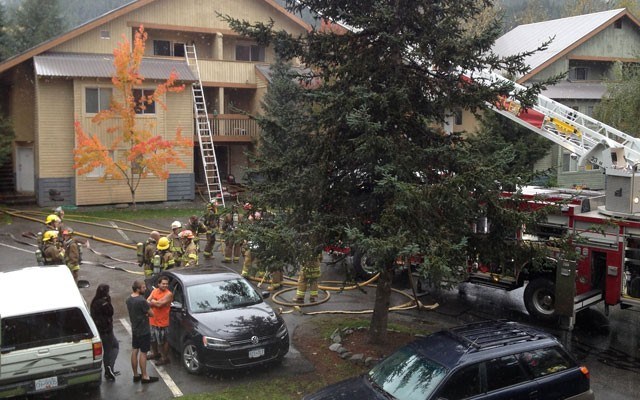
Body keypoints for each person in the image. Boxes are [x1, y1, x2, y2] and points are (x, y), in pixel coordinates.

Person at [125, 280, 159, 384]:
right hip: (143, 330)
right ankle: (145, 376)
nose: (145, 289)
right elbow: (152, 313)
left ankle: (136, 375)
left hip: (135, 329)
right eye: (143, 287)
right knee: (143, 353)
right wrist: (147, 313)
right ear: (138, 289)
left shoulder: (129, 299)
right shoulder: (141, 300)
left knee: (135, 350)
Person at [90, 284, 120, 381]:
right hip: (106, 330)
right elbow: (110, 312)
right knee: (109, 350)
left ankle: (110, 368)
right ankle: (108, 369)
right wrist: (108, 301)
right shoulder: (104, 303)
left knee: (114, 345)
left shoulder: (94, 302)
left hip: (100, 330)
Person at [146, 275, 173, 366]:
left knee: (162, 341)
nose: (165, 285)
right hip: (152, 320)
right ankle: (155, 353)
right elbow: (147, 301)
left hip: (163, 322)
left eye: (166, 284)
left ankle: (164, 358)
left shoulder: (169, 294)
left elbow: (159, 304)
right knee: (153, 339)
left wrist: (153, 302)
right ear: (158, 284)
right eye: (163, 284)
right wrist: (155, 302)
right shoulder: (154, 291)